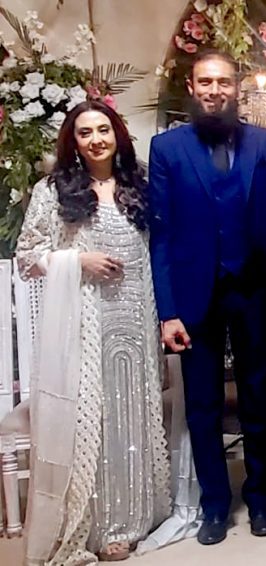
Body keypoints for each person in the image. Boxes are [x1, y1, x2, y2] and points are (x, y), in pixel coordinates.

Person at [16, 100, 170, 564]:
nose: (96, 139)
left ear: (118, 133)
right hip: (85, 322)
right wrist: (77, 261)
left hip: (136, 317)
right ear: (74, 141)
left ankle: (135, 517)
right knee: (94, 419)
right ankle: (99, 525)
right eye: (85, 133)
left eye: (104, 129)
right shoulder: (53, 190)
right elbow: (28, 257)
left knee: (134, 412)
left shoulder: (139, 182)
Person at [148, 49, 266, 545]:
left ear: (237, 88)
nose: (214, 91)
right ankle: (214, 507)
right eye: (205, 82)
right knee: (203, 405)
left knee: (259, 399)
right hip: (195, 294)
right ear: (192, 87)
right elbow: (161, 236)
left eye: (223, 82)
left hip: (256, 290)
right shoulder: (167, 148)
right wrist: (168, 312)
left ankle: (262, 500)